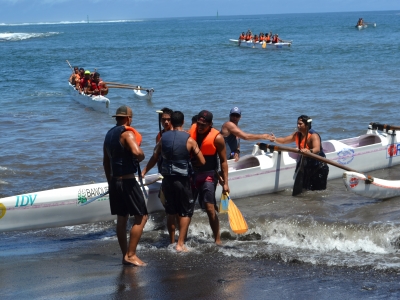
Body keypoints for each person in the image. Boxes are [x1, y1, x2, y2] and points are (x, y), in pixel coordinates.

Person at [142, 111, 205, 251]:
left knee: (171, 213)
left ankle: (171, 242)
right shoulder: (189, 139)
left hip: (167, 180)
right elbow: (202, 160)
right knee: (186, 212)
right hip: (182, 181)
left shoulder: (163, 139)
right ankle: (180, 244)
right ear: (183, 122)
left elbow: (154, 157)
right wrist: (191, 163)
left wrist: (144, 171)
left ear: (171, 122)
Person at [103, 105, 148, 266]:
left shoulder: (109, 135)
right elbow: (137, 153)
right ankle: (131, 254)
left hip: (115, 181)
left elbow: (106, 162)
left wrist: (111, 183)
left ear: (117, 118)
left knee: (121, 218)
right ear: (128, 118)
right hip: (128, 181)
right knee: (142, 216)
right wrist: (141, 156)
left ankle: (125, 256)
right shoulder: (127, 133)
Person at [189, 110, 229, 245]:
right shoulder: (191, 132)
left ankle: (217, 239)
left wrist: (226, 183)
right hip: (192, 174)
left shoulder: (217, 138)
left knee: (210, 208)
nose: (200, 127)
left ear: (210, 124)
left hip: (209, 175)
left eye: (203, 125)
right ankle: (182, 239)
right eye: (199, 124)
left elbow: (223, 161)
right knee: (188, 207)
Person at [267, 115, 329, 190]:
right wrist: (275, 139)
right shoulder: (297, 134)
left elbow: (317, 149)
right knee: (306, 190)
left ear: (306, 125)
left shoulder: (314, 136)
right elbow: (284, 140)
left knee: (318, 191)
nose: (298, 126)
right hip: (307, 165)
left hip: (319, 166)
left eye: (300, 124)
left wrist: (309, 151)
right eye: (297, 124)